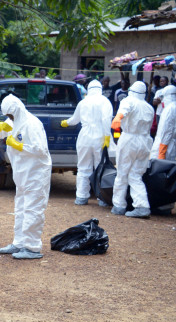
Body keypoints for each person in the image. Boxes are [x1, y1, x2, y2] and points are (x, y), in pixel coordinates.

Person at [0, 94, 52, 259]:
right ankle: (19, 242)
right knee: (20, 208)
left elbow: (40, 150)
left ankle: (32, 247)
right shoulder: (13, 120)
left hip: (36, 172)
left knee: (33, 208)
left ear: (17, 110)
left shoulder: (32, 124)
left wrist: (19, 146)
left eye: (10, 115)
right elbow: (1, 134)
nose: (8, 118)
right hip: (21, 173)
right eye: (7, 116)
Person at [60, 80, 113, 206]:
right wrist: (107, 136)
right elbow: (106, 120)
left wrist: (66, 122)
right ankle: (102, 198)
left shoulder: (83, 102)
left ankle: (81, 197)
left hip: (84, 137)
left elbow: (74, 120)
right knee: (100, 168)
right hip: (100, 136)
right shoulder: (105, 101)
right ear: (100, 88)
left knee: (83, 167)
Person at [110, 81, 154, 218]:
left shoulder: (128, 101)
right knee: (136, 175)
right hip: (145, 141)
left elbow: (125, 110)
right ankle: (142, 206)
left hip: (129, 139)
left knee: (122, 172)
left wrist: (118, 117)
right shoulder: (149, 107)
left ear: (131, 90)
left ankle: (119, 205)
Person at [150, 85, 176, 215]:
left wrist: (161, 153)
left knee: (160, 177)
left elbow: (166, 132)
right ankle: (167, 205)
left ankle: (161, 206)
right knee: (169, 177)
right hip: (170, 147)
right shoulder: (173, 107)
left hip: (163, 147)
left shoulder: (170, 109)